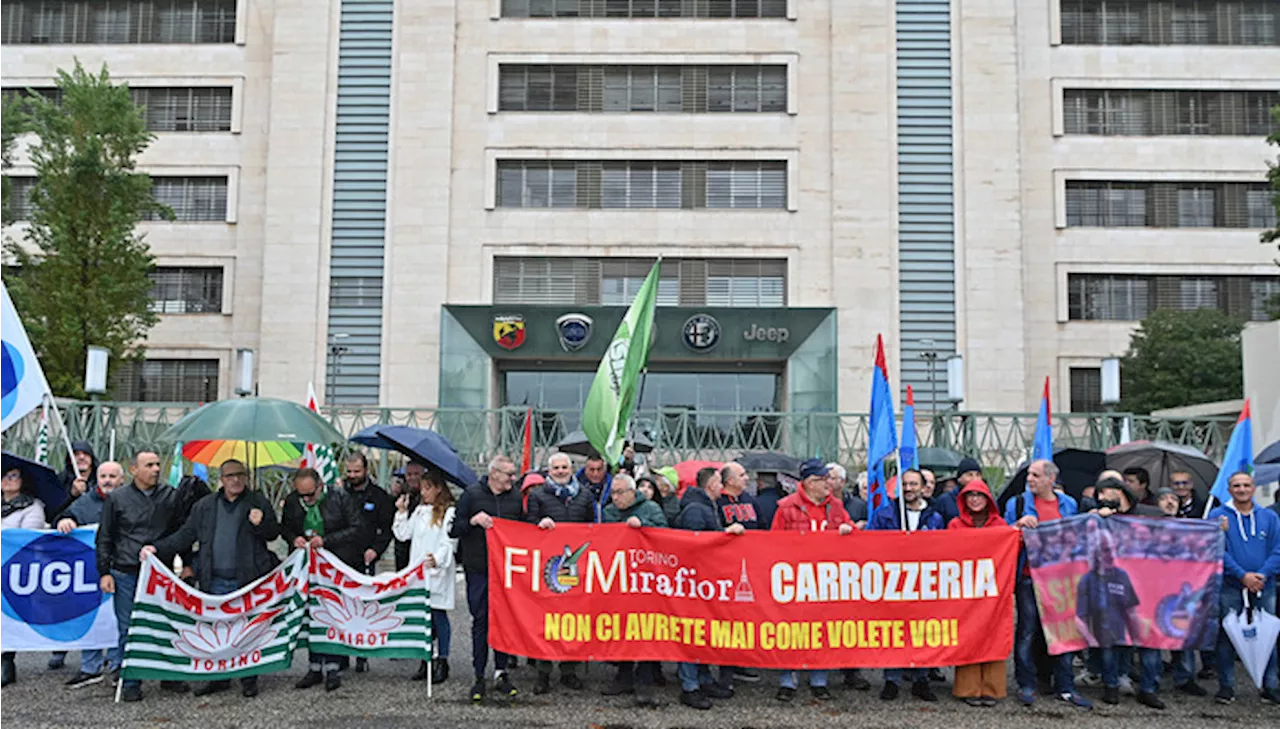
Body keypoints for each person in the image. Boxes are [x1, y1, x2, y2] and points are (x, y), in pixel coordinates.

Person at [144, 459, 280, 698]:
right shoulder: (205, 506)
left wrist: (261, 523)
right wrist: (157, 549)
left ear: (246, 477)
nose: (235, 479)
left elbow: (272, 534)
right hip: (214, 579)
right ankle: (220, 677)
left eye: (240, 474)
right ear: (221, 479)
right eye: (230, 475)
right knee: (217, 629)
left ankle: (249, 678)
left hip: (247, 579)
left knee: (247, 629)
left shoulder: (257, 502)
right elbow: (186, 535)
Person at [95, 450, 189, 702]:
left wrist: (187, 563)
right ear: (134, 470)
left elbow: (182, 533)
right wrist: (104, 571)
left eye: (158, 464)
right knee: (129, 627)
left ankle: (169, 675)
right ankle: (131, 680)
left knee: (166, 623)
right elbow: (105, 536)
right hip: (126, 571)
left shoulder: (171, 496)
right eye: (149, 465)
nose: (156, 469)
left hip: (162, 572)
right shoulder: (117, 498)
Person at [1005, 459, 1092, 709]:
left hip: (1060, 580)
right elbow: (1005, 535)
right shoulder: (1018, 504)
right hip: (1029, 578)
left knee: (1063, 632)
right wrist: (1018, 526)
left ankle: (1065, 686)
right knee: (1027, 632)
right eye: (1029, 474)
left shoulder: (1069, 504)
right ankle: (1027, 685)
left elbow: (1074, 537)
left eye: (1035, 475)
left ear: (1051, 479)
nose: (1030, 479)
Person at [770, 459, 854, 702]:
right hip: (795, 580)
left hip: (826, 580)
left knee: (823, 630)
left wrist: (849, 532)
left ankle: (820, 679)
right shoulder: (786, 507)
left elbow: (854, 537)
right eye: (822, 479)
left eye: (828, 479)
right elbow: (774, 543)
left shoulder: (836, 507)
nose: (828, 484)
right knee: (792, 630)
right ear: (809, 483)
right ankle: (789, 680)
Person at [1080, 479, 1164, 710]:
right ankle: (1111, 685)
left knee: (1149, 640)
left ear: (1119, 491)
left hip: (1146, 587)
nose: (1101, 498)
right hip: (1112, 586)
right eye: (1099, 495)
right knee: (1109, 638)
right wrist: (1097, 515)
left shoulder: (1149, 515)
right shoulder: (1101, 519)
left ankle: (1148, 689)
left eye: (1105, 493)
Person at [281, 466, 364, 692]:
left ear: (320, 486)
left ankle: (334, 667)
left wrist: (327, 540)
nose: (307, 499)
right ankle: (315, 666)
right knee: (312, 614)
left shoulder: (340, 497)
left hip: (335, 565)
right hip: (307, 567)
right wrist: (293, 539)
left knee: (332, 613)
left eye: (311, 494)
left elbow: (357, 528)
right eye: (302, 495)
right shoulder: (292, 502)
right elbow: (285, 528)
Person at [450, 455, 524, 703]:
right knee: (481, 619)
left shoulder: (515, 496)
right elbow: (454, 528)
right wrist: (473, 521)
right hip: (479, 567)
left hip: (506, 569)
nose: (512, 479)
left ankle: (501, 671)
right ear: (494, 473)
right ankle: (479, 674)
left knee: (503, 619)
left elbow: (524, 527)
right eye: (508, 474)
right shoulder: (471, 494)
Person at [868, 469, 945, 702]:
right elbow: (869, 544)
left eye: (914, 484)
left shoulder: (934, 517)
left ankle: (921, 679)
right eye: (905, 484)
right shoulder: (886, 515)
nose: (909, 488)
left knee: (922, 632)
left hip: (923, 584)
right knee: (894, 632)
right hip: (893, 583)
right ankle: (892, 680)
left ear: (923, 488)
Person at [1208, 472, 1280, 705]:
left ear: (1254, 488)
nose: (1241, 489)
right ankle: (1226, 686)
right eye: (1236, 485)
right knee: (1227, 636)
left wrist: (1262, 574)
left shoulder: (1269, 516)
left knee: (1269, 635)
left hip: (1264, 585)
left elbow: (1278, 549)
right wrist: (1242, 575)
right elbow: (1217, 550)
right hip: (1231, 586)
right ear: (1229, 490)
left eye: (1246, 485)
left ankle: (1270, 686)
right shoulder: (1217, 516)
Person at [527, 452, 596, 694]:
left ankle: (569, 671)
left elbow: (593, 529)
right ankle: (543, 673)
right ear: (549, 470)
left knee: (572, 620)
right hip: (549, 568)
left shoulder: (585, 495)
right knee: (546, 621)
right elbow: (528, 525)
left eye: (564, 467)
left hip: (576, 569)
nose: (560, 471)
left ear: (571, 468)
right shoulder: (537, 495)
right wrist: (539, 524)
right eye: (556, 467)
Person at [674, 466, 739, 709]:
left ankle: (702, 679)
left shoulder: (705, 506)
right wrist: (724, 534)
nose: (722, 485)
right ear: (711, 484)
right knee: (692, 633)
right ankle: (690, 686)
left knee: (701, 633)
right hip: (694, 583)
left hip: (704, 583)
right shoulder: (695, 509)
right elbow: (695, 544)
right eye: (718, 481)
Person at [599, 473, 667, 707]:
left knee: (645, 628)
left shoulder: (650, 508)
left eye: (620, 493)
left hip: (647, 579)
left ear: (631, 492)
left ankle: (644, 680)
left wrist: (643, 527)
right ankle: (623, 676)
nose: (615, 498)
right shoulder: (608, 512)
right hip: (620, 577)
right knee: (623, 628)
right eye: (613, 493)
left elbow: (665, 535)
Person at [56, 460, 125, 688]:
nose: (107, 481)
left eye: (112, 476)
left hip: (123, 568)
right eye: (103, 476)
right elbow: (64, 515)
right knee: (92, 616)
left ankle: (117, 665)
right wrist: (65, 520)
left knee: (118, 618)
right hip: (90, 572)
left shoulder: (131, 499)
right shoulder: (86, 502)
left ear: (122, 480)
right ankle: (90, 667)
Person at [392, 467, 458, 685]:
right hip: (419, 570)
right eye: (422, 488)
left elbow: (449, 541)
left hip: (436, 569)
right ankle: (425, 657)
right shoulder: (420, 511)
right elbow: (404, 535)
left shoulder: (448, 512)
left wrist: (437, 559)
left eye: (428, 488)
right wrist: (401, 512)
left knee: (438, 614)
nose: (424, 493)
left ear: (438, 489)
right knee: (423, 616)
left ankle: (443, 659)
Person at [947, 478, 1007, 706]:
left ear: (988, 499)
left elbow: (1013, 545)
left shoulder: (1001, 525)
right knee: (968, 635)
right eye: (970, 495)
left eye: (979, 495)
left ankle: (993, 688)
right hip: (966, 589)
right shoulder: (955, 525)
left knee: (995, 635)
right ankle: (968, 688)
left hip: (994, 590)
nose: (974, 499)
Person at [342, 452, 394, 674]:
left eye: (357, 472)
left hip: (365, 557)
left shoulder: (378, 496)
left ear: (365, 470)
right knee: (341, 606)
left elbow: (387, 528)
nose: (353, 476)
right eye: (349, 472)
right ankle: (341, 653)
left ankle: (362, 653)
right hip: (340, 556)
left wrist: (376, 549)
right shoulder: (339, 493)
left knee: (363, 605)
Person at [0, 463, 48, 687]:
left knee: (8, 616)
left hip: (15, 569)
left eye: (14, 476)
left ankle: (6, 661)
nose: (8, 480)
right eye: (4, 476)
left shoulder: (32, 506)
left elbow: (28, 537)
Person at [393, 462, 426, 571]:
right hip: (402, 553)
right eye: (409, 474)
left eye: (416, 474)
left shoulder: (429, 498)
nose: (413, 477)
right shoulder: (401, 495)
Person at [574, 453, 613, 522]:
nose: (595, 474)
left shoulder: (613, 487)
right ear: (585, 469)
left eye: (599, 469)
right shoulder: (574, 489)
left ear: (604, 469)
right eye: (592, 470)